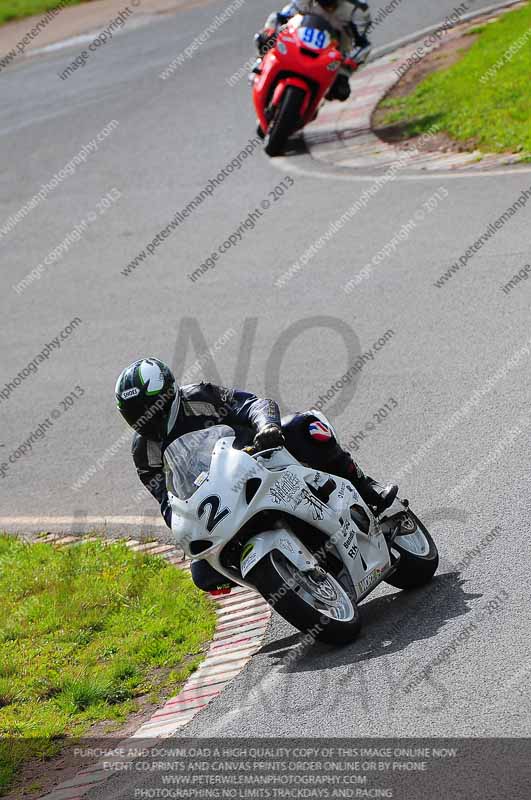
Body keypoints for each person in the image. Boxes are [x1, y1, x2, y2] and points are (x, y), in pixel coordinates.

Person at [115, 358, 397, 591]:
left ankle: (367, 486)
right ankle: (285, 578)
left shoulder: (198, 397)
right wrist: (185, 527)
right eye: (136, 414)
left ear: (167, 396)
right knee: (203, 575)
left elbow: (252, 404)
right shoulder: (144, 451)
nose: (147, 419)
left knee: (303, 426)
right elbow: (167, 502)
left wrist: (267, 427)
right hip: (220, 498)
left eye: (151, 410)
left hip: (260, 458)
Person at [254, 0, 372, 101]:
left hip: (335, 54)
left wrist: (351, 60)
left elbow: (363, 45)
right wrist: (271, 31)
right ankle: (260, 64)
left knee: (341, 91)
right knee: (265, 39)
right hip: (299, 38)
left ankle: (315, 103)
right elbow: (283, 16)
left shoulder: (358, 9)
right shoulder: (304, 2)